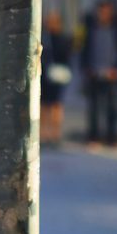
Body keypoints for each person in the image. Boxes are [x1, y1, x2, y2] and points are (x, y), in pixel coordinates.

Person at [80, 0, 117, 146]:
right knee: (94, 107)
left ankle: (112, 138)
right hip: (94, 72)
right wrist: (87, 68)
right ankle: (94, 137)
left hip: (112, 74)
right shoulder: (90, 28)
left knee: (113, 107)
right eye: (101, 11)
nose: (104, 14)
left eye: (107, 11)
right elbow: (84, 49)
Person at [40, 10, 73, 145]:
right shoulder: (47, 38)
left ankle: (54, 133)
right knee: (46, 105)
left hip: (55, 75)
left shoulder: (59, 39)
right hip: (49, 75)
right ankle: (46, 133)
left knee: (54, 105)